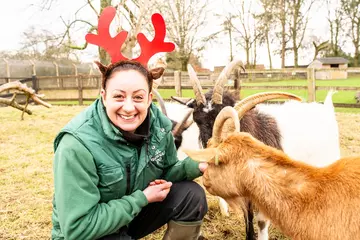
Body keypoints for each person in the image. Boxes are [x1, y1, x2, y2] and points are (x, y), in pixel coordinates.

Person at [51, 60, 208, 240]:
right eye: (118, 96)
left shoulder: (159, 126)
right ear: (104, 96)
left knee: (191, 195)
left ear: (149, 98)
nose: (128, 107)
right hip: (88, 233)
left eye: (138, 97)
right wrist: (141, 198)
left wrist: (198, 165)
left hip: (129, 217)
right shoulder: (76, 145)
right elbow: (78, 228)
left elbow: (167, 173)